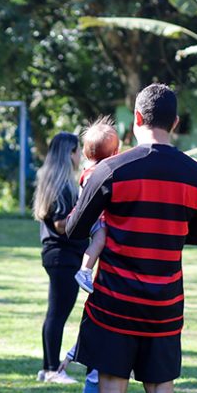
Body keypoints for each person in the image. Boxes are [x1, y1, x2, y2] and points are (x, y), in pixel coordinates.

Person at [64, 84, 197, 393]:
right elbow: (195, 235)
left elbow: (75, 228)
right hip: (166, 302)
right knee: (162, 387)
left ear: (136, 119)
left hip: (115, 301)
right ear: (175, 123)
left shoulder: (112, 170)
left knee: (112, 386)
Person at [33, 132, 85, 384]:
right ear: (69, 154)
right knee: (58, 313)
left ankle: (48, 367)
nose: (80, 155)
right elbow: (62, 224)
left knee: (55, 312)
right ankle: (53, 369)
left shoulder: (52, 182)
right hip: (63, 255)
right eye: (78, 150)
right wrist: (86, 211)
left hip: (57, 254)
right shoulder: (63, 185)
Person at [74, 117, 120, 294]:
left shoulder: (88, 169)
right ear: (115, 153)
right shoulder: (101, 172)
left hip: (89, 213)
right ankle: (85, 270)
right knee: (99, 240)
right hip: (94, 217)